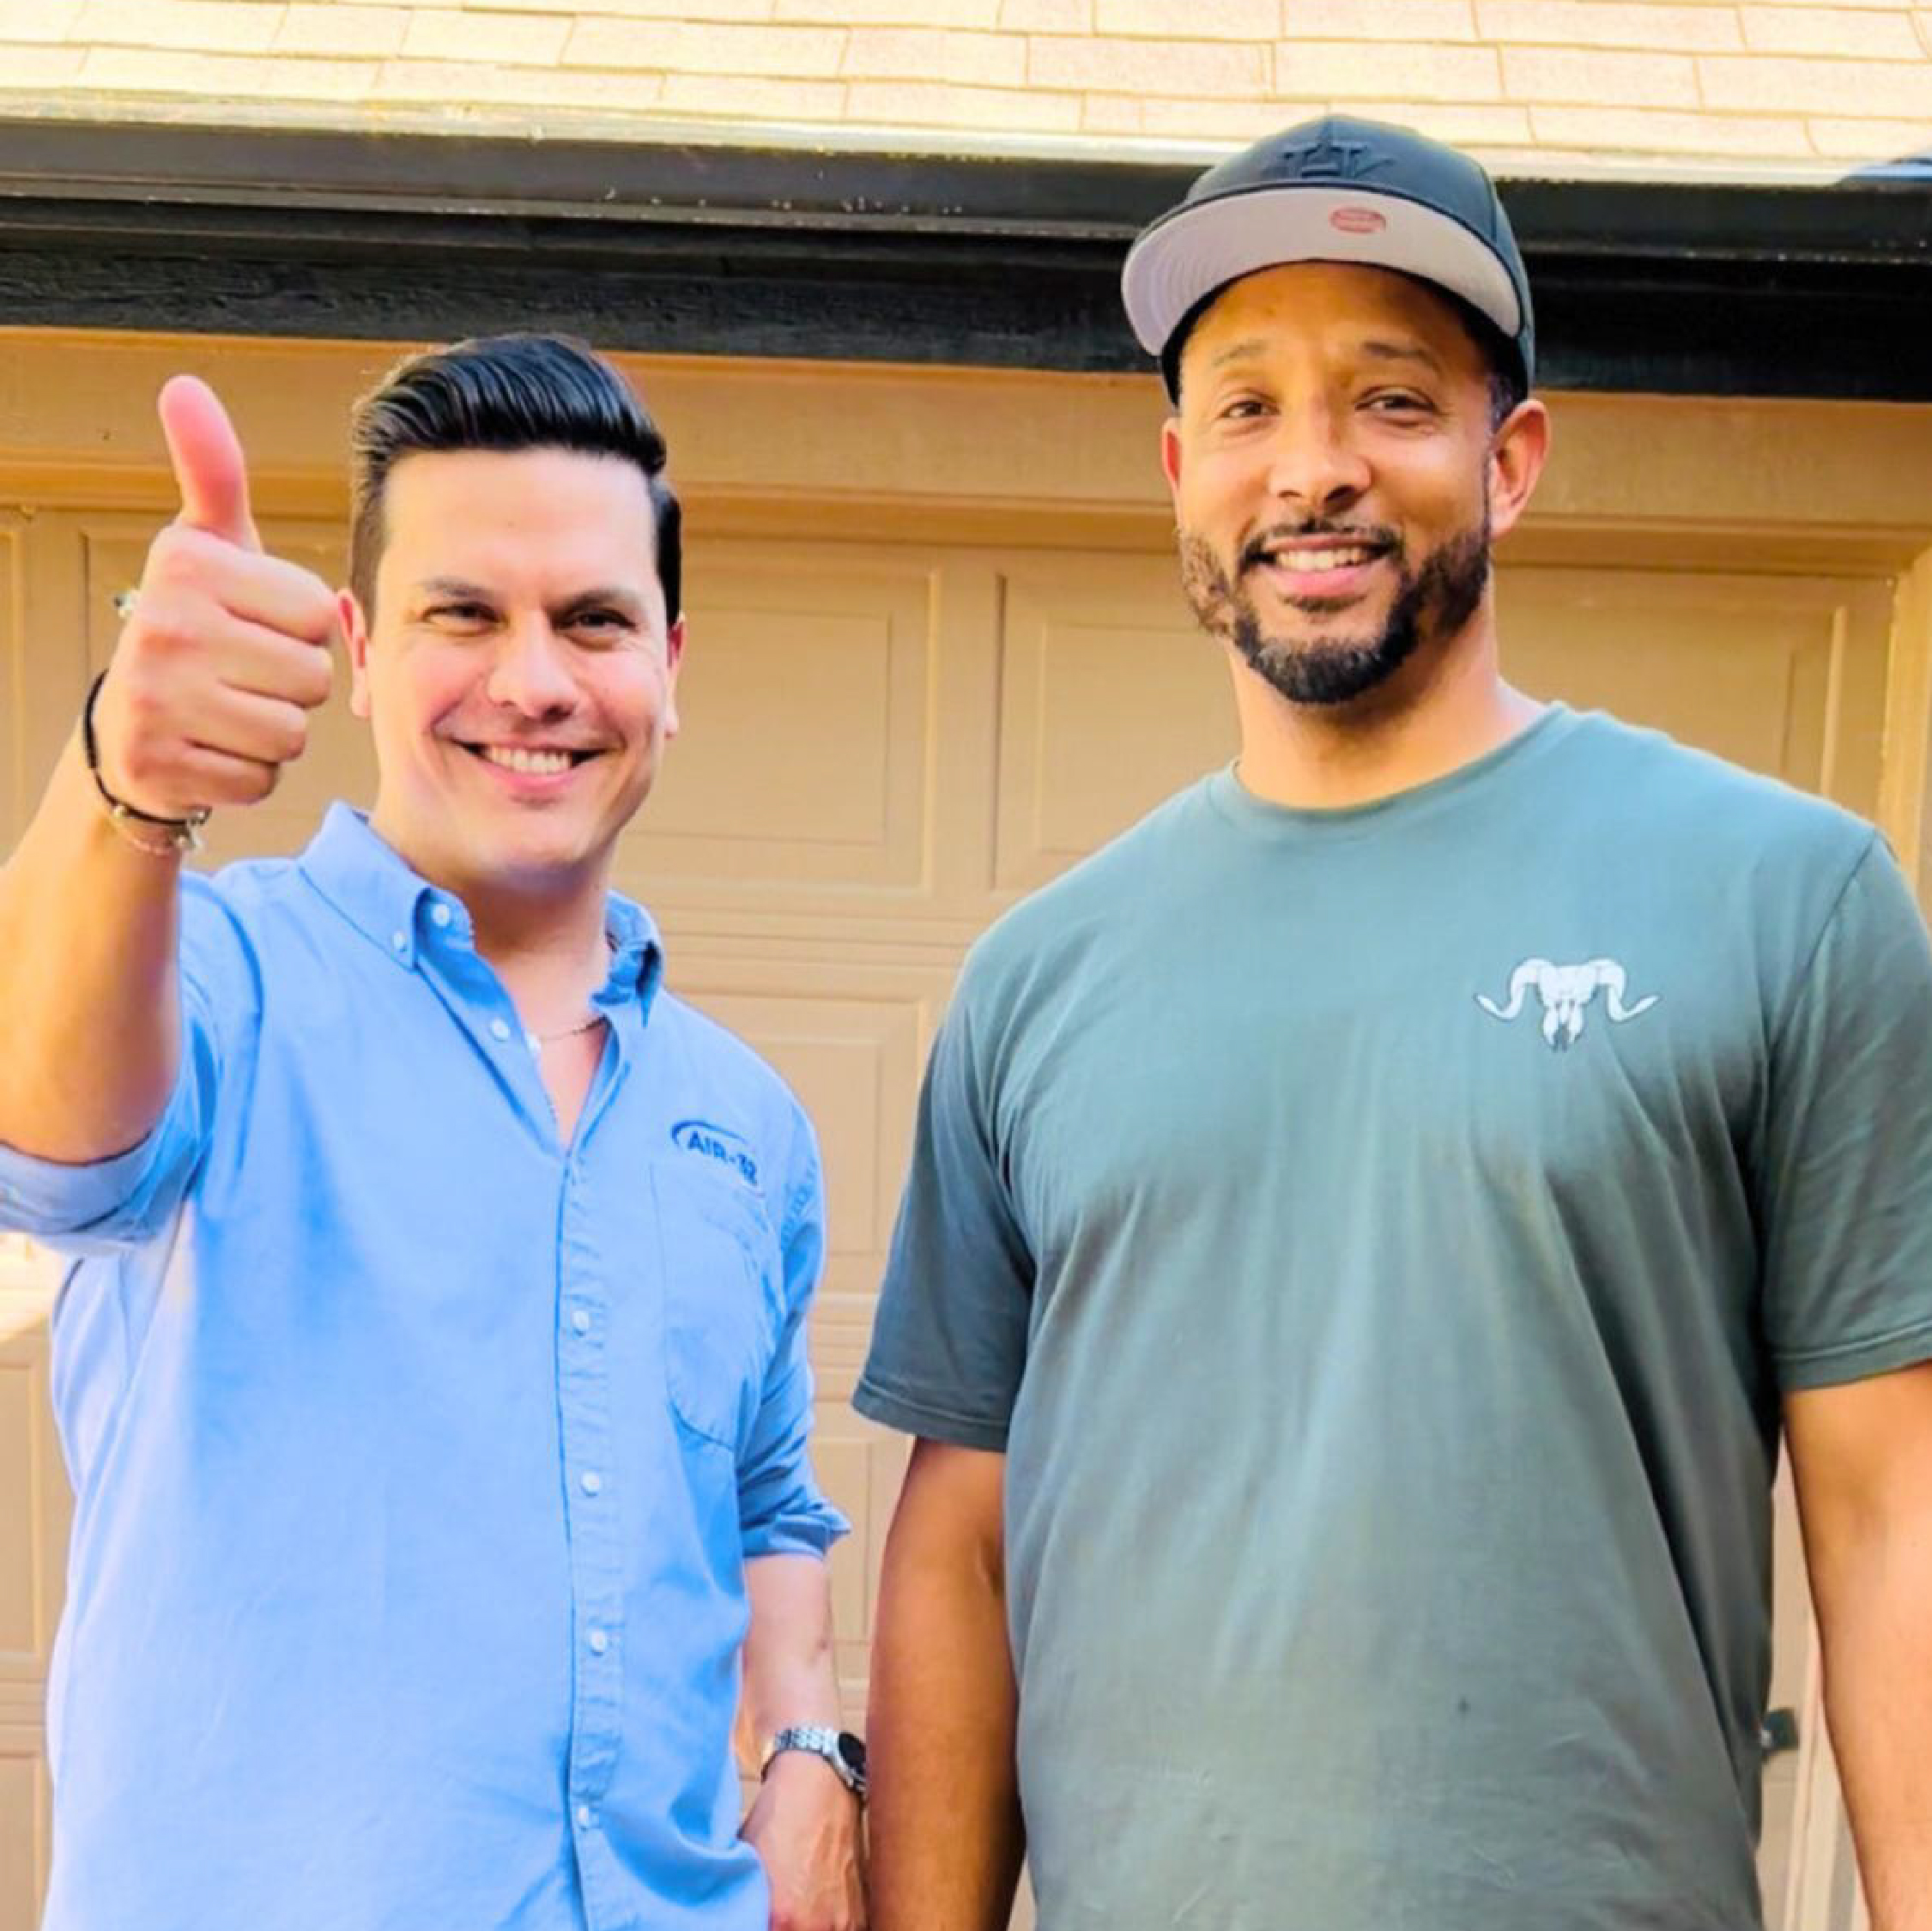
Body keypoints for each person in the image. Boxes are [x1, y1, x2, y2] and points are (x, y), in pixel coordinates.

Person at [855, 118, 1932, 1931]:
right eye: (1249, 407)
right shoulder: (1036, 982)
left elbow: (1894, 1512)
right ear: (1180, 469)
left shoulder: (1785, 900)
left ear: (1510, 462)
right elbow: (960, 1550)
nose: (1316, 469)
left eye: (1393, 400)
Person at [0, 335, 866, 1931]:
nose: (534, 681)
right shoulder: (213, 976)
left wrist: (809, 1740)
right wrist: (122, 777)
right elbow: (49, 1144)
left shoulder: (744, 1122)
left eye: (593, 619)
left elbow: (762, 1498)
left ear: (670, 662)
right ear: (358, 645)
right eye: (462, 614)